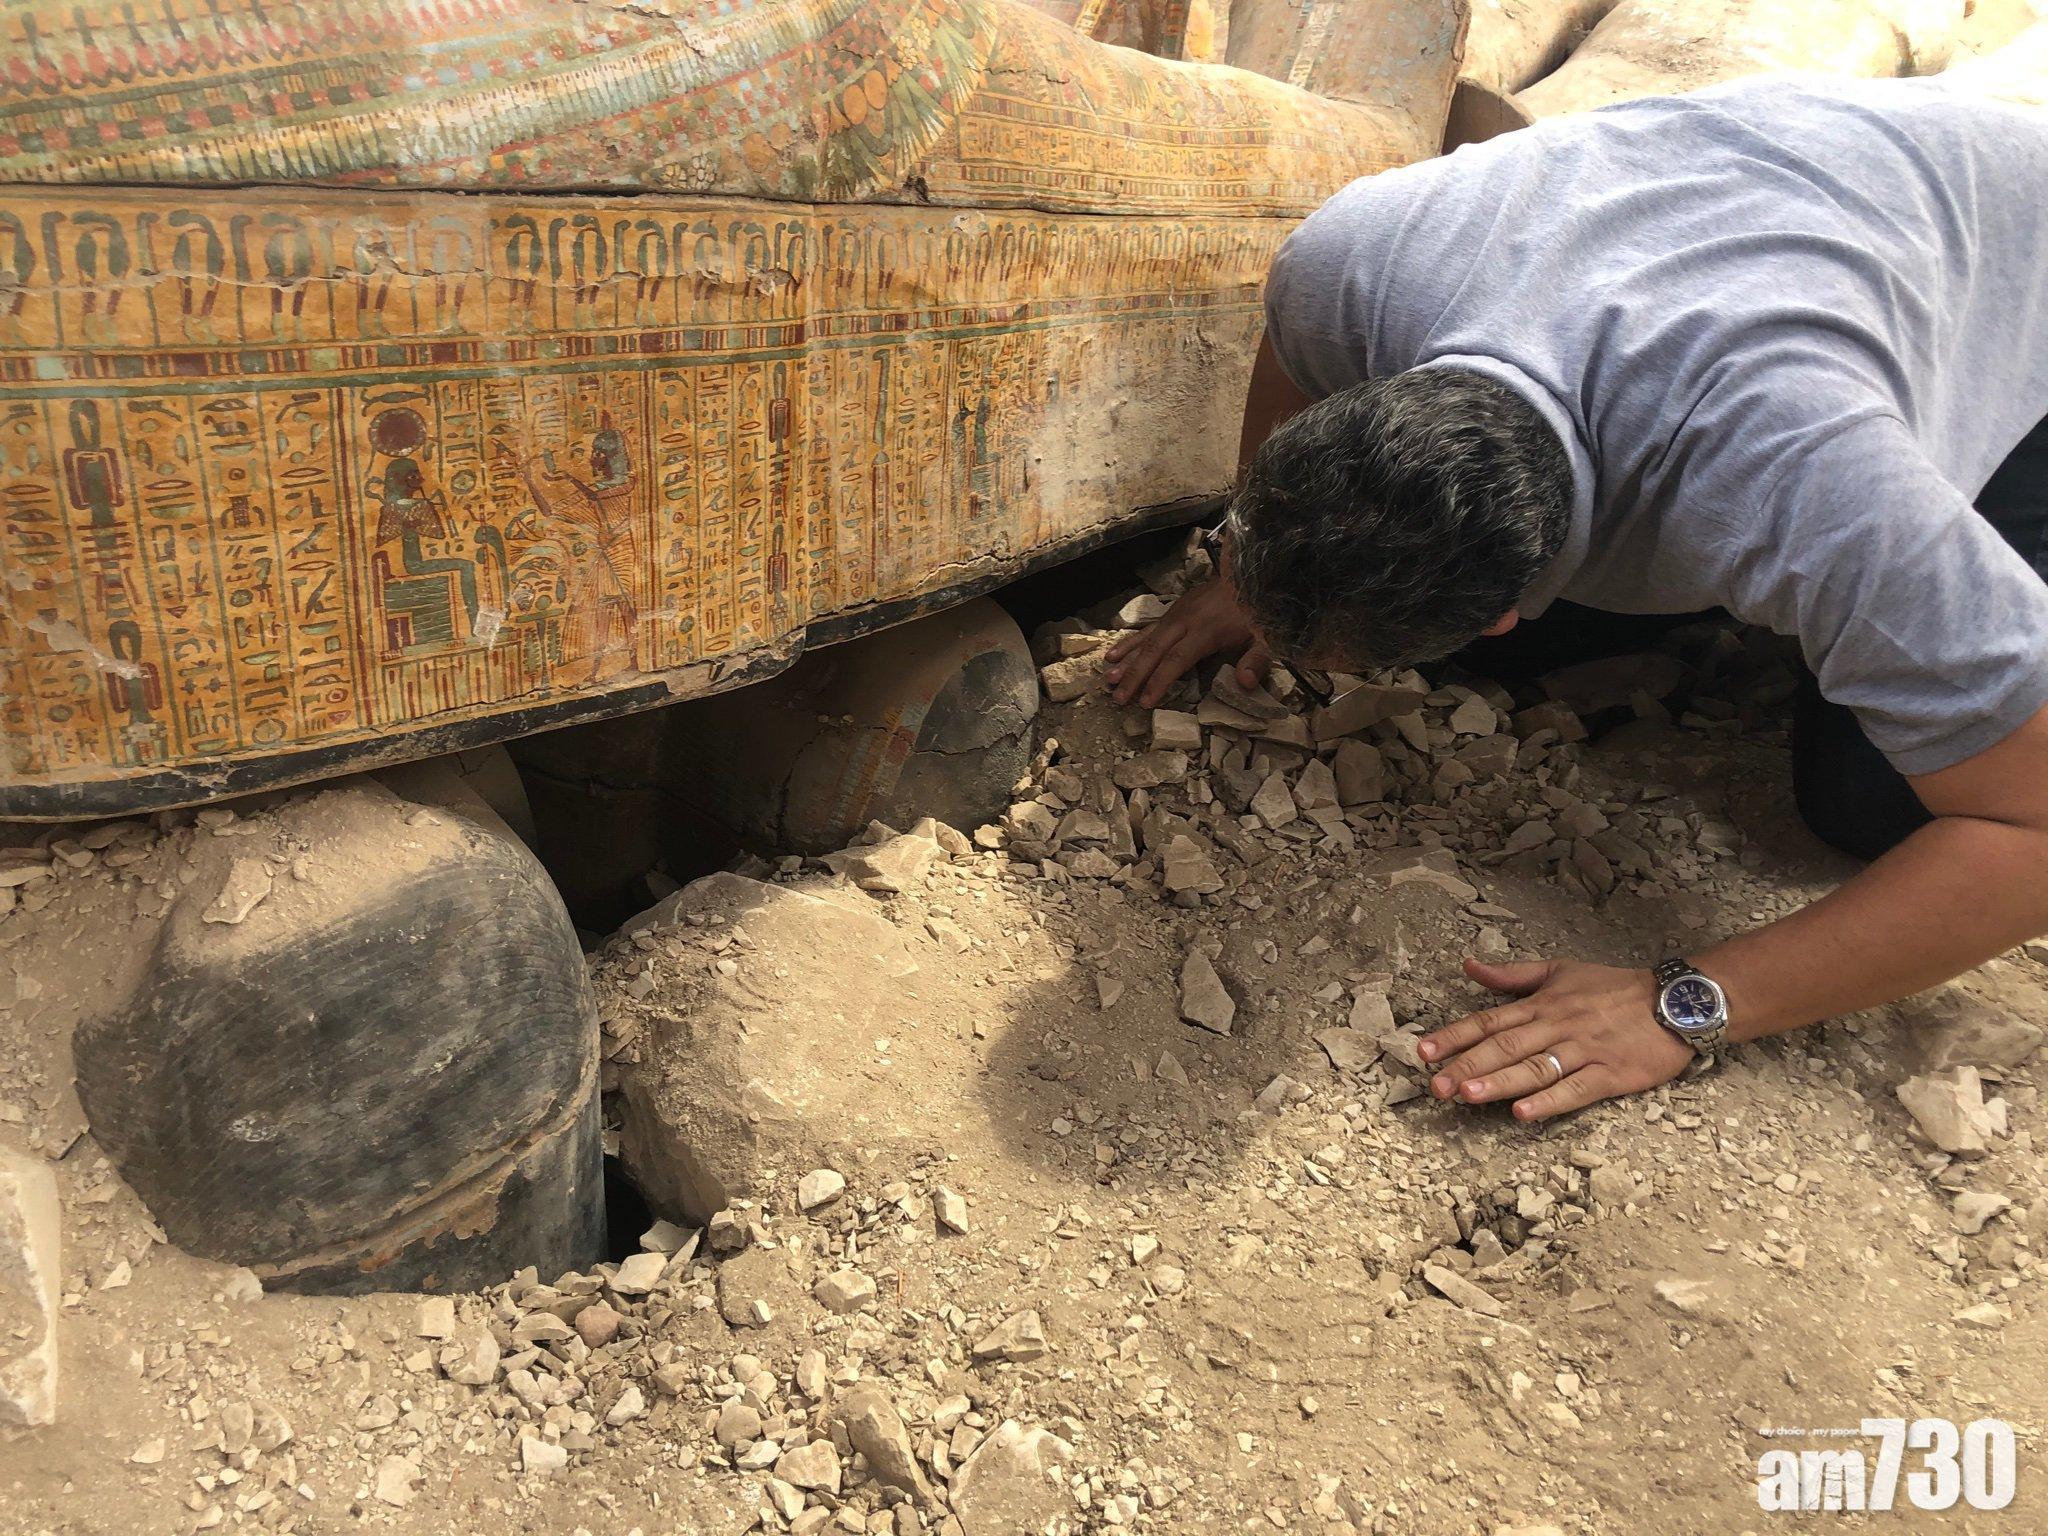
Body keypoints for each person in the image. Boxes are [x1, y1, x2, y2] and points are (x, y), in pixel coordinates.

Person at [1105, 77, 2048, 1123]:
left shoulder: (1810, 487)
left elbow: (2032, 832)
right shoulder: (1345, 264)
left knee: (1866, 803)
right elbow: (1294, 357)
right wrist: (1239, 573)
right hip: (1799, 197)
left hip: (2017, 275)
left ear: (1506, 605)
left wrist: (1683, 1006)